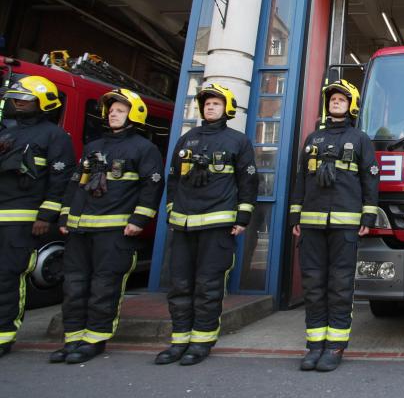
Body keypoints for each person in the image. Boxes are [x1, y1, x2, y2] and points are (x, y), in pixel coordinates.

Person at [52, 88, 163, 364]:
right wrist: (65, 217)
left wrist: (139, 220)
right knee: (74, 285)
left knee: (105, 286)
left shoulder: (143, 149)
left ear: (133, 114)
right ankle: (73, 338)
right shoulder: (93, 147)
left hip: (115, 231)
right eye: (111, 110)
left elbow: (151, 187)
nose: (113, 113)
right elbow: (75, 185)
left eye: (120, 110)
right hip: (80, 230)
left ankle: (95, 339)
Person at [154, 83, 257, 366]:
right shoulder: (187, 139)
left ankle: (201, 342)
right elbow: (173, 178)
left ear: (227, 109)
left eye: (216, 104)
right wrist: (173, 209)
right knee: (179, 285)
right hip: (183, 224)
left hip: (218, 224)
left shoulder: (238, 141)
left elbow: (248, 181)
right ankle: (179, 341)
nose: (210, 107)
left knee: (208, 285)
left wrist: (243, 216)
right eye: (207, 103)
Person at [288, 79, 379, 372]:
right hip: (312, 224)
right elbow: (301, 179)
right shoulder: (313, 139)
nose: (335, 102)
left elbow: (370, 180)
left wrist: (368, 216)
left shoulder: (361, 139)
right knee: (314, 286)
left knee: (340, 286)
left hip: (345, 225)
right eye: (332, 99)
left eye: (341, 99)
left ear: (350, 104)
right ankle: (314, 346)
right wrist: (295, 216)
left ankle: (335, 347)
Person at [0, 76, 75, 358]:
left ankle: (3, 334)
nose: (18, 103)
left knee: (7, 276)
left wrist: (46, 215)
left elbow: (61, 179)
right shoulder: (6, 133)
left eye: (26, 99)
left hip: (22, 217)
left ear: (43, 103)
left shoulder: (54, 136)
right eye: (16, 98)